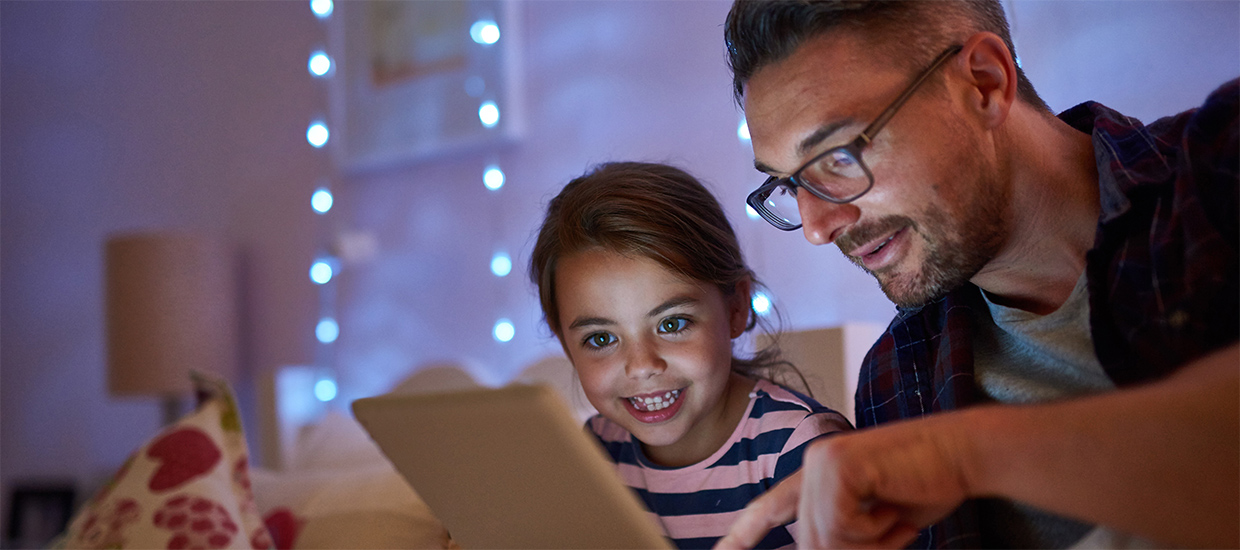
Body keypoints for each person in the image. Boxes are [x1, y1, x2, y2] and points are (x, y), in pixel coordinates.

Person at [713, 1, 1239, 549]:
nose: (817, 227)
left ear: (984, 84)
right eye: (789, 184)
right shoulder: (898, 376)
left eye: (839, 156)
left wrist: (962, 454)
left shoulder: (1220, 166)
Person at [528, 162, 853, 549]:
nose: (643, 365)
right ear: (564, 340)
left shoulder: (798, 451)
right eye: (600, 339)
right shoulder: (598, 452)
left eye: (671, 324)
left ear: (736, 309)